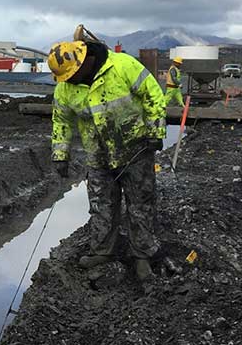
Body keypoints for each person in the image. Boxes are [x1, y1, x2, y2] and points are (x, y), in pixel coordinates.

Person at [49, 38, 167, 282]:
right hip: (98, 156)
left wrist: (156, 131)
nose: (69, 81)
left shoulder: (123, 66)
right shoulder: (65, 87)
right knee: (102, 205)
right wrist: (60, 154)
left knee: (140, 203)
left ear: (85, 62)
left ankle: (143, 255)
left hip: (134, 148)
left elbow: (153, 95)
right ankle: (102, 251)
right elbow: (61, 121)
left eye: (72, 75)